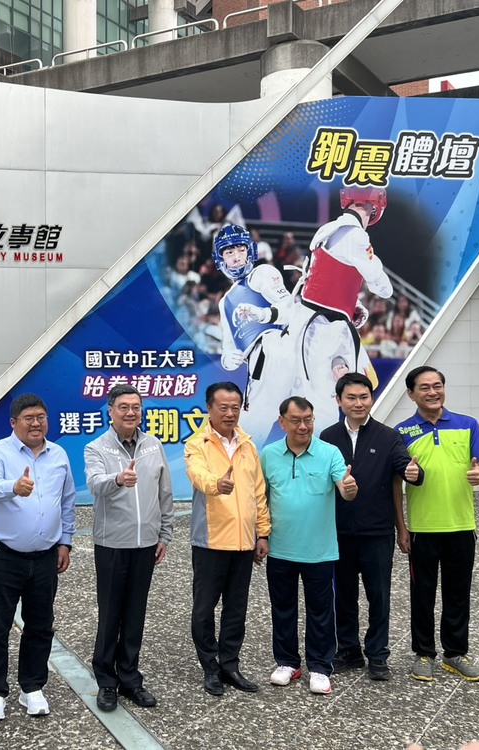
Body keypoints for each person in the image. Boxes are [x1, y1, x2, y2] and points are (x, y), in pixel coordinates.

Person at [0, 393, 76, 721]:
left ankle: (32, 687)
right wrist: (13, 487)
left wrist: (66, 542)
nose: (36, 423)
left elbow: (67, 501)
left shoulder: (58, 454)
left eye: (41, 417)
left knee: (40, 624)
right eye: (29, 418)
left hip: (46, 555)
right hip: (2, 555)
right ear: (13, 423)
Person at [319, 373, 423, 681]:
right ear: (339, 401)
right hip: (339, 532)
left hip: (377, 532)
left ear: (371, 399)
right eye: (351, 398)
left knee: (379, 596)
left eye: (364, 397)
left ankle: (378, 655)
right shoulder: (327, 436)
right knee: (344, 595)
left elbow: (404, 465)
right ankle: (348, 650)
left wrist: (414, 473)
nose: (358, 403)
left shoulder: (387, 436)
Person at [395, 366, 479, 682]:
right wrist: (401, 527)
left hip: (462, 526)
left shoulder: (468, 424)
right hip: (422, 529)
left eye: (437, 385)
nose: (433, 392)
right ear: (411, 394)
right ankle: (423, 653)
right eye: (424, 387)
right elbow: (395, 482)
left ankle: (455, 653)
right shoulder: (402, 432)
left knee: (458, 593)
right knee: (422, 594)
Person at [85, 384, 174, 712]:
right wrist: (118, 480)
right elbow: (94, 483)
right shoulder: (97, 447)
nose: (130, 412)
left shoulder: (153, 445)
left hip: (146, 544)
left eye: (136, 406)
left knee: (135, 614)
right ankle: (106, 681)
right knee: (111, 614)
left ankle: (130, 678)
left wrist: (164, 535)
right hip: (112, 544)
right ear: (110, 411)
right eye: (123, 407)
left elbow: (165, 492)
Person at [260, 396, 357, 695]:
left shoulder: (329, 452)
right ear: (282, 423)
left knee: (321, 610)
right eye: (296, 421)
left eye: (308, 420)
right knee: (283, 608)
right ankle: (287, 662)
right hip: (280, 548)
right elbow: (260, 498)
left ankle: (320, 666)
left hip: (319, 550)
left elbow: (345, 489)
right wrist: (260, 535)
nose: (303, 426)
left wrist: (349, 489)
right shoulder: (269, 454)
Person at [184, 382, 270, 697]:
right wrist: (216, 484)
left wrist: (263, 532)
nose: (230, 413)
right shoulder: (197, 443)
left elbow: (258, 493)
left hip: (244, 543)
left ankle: (230, 664)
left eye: (235, 407)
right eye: (223, 407)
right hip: (211, 542)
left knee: (236, 609)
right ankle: (210, 667)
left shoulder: (248, 445)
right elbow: (197, 474)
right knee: (204, 609)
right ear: (209, 408)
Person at [296, 186, 394, 430]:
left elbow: (323, 279)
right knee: (330, 402)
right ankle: (333, 451)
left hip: (318, 321)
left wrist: (350, 305)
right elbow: (382, 287)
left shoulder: (326, 230)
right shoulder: (356, 235)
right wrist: (377, 271)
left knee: (352, 389)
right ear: (374, 207)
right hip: (323, 329)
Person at [213, 225, 303, 445]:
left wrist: (263, 314)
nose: (236, 257)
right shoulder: (225, 302)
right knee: (253, 433)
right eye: (229, 252)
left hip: (276, 344)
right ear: (221, 258)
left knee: (248, 434)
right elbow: (229, 347)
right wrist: (229, 359)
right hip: (257, 363)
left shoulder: (262, 274)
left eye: (240, 250)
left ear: (250, 251)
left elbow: (289, 310)